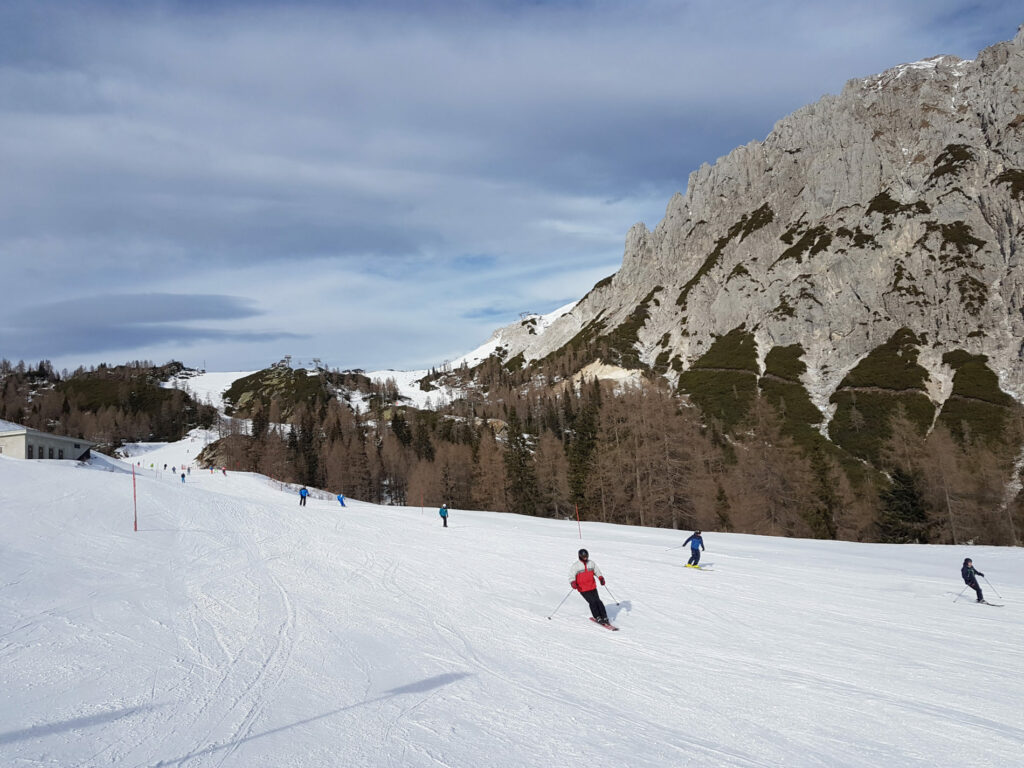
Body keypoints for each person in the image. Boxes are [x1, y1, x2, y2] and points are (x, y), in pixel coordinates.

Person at [570, 549, 610, 625]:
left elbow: (597, 571)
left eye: (586, 556)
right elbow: (571, 576)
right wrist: (573, 582)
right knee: (592, 602)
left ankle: (604, 616)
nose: (585, 558)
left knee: (598, 601)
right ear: (580, 556)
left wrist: (601, 578)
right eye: (583, 556)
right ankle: (597, 617)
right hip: (582, 588)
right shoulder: (576, 566)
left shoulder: (591, 563)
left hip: (592, 586)